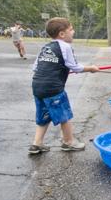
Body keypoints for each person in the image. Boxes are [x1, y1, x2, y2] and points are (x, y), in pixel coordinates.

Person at [29, 17, 99, 154]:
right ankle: (68, 142)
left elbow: (35, 67)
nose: (73, 32)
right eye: (71, 29)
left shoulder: (46, 47)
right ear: (62, 34)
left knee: (43, 115)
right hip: (53, 88)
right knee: (64, 115)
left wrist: (54, 69)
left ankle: (36, 144)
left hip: (37, 86)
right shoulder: (65, 46)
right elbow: (75, 67)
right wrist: (91, 68)